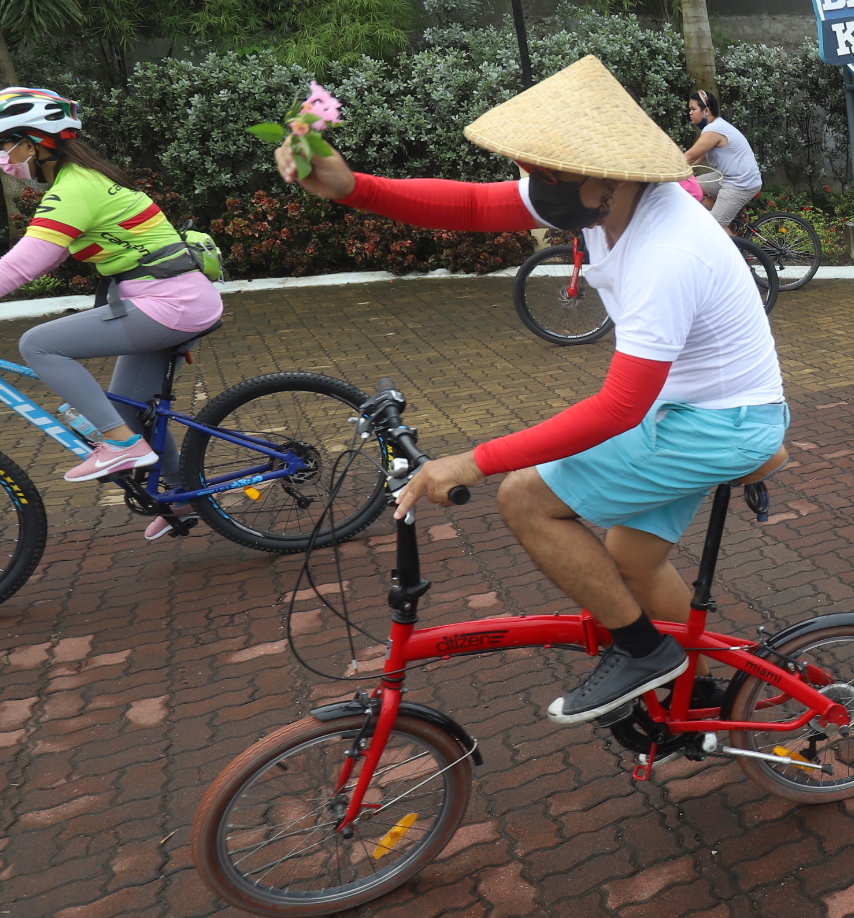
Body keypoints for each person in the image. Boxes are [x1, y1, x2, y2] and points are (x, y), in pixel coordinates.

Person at [272, 55, 787, 725]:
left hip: (718, 422)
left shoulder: (669, 249)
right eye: (531, 167)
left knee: (525, 498)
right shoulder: (598, 197)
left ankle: (644, 654)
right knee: (630, 558)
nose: (532, 184)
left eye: (548, 171)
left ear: (608, 171)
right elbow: (471, 202)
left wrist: (473, 461)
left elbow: (618, 407)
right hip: (691, 411)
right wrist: (352, 188)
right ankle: (698, 692)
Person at [0, 89, 226, 535]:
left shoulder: (75, 188)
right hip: (168, 300)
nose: (2, 155)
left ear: (33, 143)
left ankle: (121, 447)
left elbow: (25, 264)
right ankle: (181, 496)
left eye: (4, 143)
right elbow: (29, 258)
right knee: (123, 409)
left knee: (39, 343)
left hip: (169, 306)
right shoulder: (82, 180)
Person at [679, 90, 762, 229]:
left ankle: (733, 242)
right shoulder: (715, 126)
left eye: (693, 109)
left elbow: (690, 155)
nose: (690, 113)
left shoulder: (714, 130)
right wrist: (689, 169)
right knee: (689, 186)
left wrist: (668, 171)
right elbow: (701, 155)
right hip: (728, 177)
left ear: (706, 110)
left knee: (715, 227)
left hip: (741, 182)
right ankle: (726, 215)